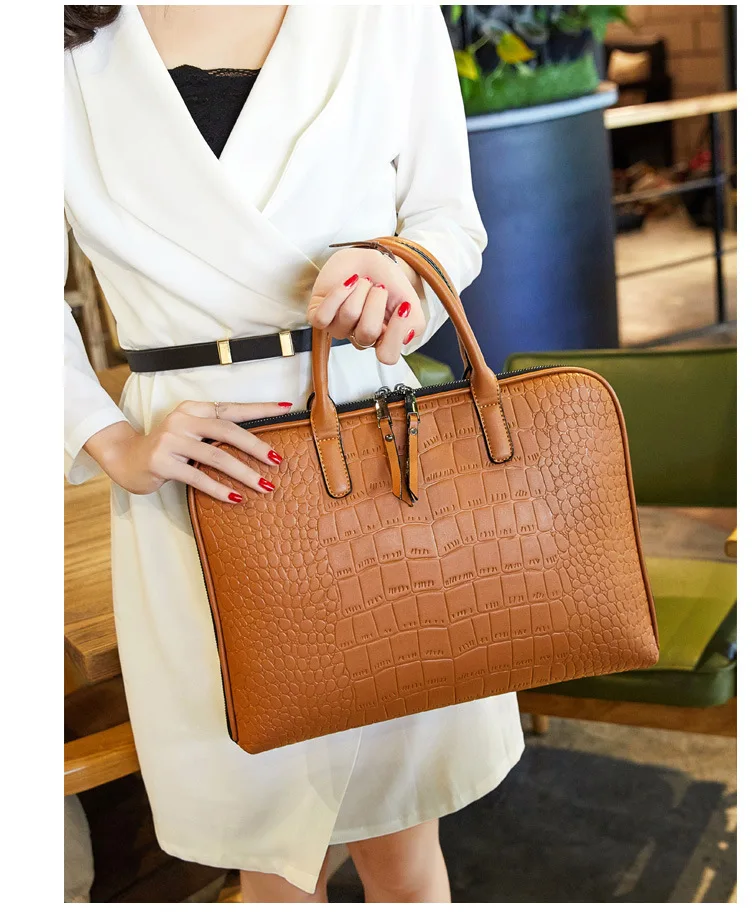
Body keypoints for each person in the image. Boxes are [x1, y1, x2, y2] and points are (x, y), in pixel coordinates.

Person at [64, 4, 525, 903]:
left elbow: (447, 216)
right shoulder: (46, 41)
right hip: (198, 468)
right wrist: (108, 439)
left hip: (369, 433)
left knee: (403, 842)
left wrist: (398, 272)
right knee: (271, 851)